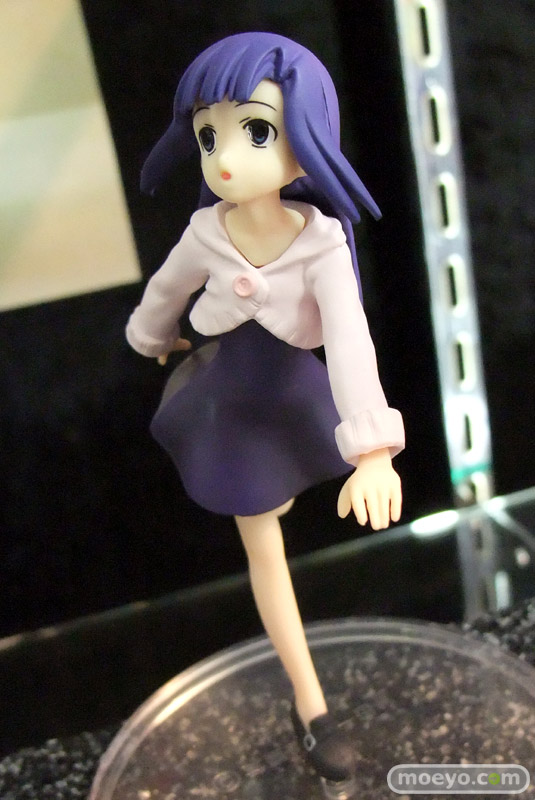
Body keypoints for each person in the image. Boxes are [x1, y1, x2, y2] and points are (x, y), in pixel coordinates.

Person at [126, 32, 404, 783]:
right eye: (208, 135)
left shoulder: (322, 245)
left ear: (307, 138)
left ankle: (309, 703)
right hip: (229, 408)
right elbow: (166, 289)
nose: (224, 158)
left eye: (255, 131)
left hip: (296, 399)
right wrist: (151, 336)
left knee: (278, 531)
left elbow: (350, 343)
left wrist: (372, 449)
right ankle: (311, 707)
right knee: (264, 546)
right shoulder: (206, 230)